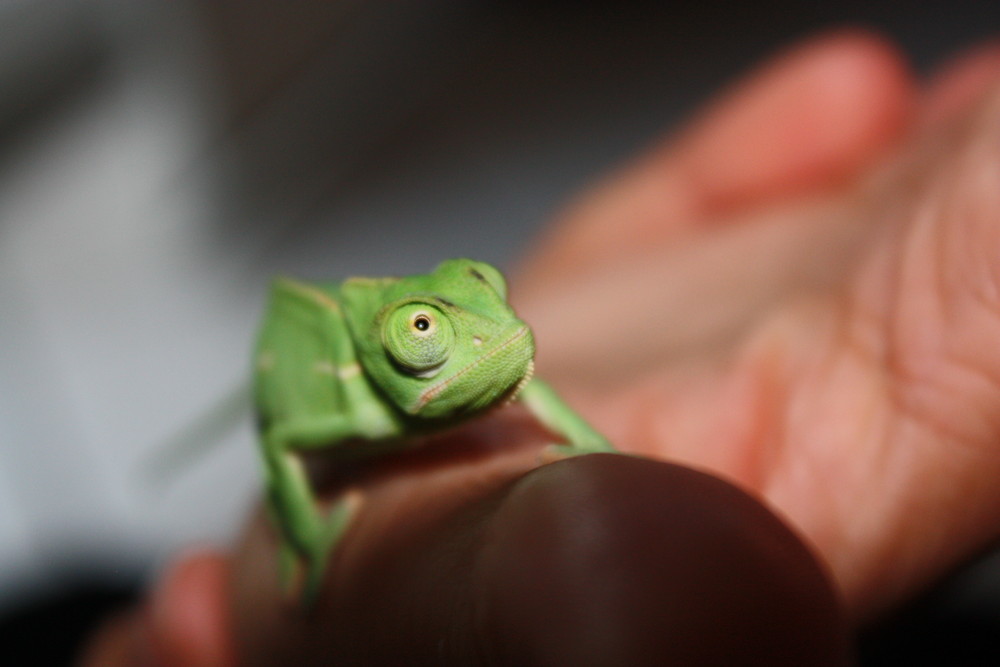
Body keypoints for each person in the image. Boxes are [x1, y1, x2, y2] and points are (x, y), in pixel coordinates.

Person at [82, 28, 1000, 664]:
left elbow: (531, 388)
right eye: (423, 336)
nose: (506, 338)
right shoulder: (348, 405)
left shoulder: (489, 367)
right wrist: (307, 534)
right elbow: (281, 442)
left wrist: (592, 446)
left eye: (474, 308)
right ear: (389, 354)